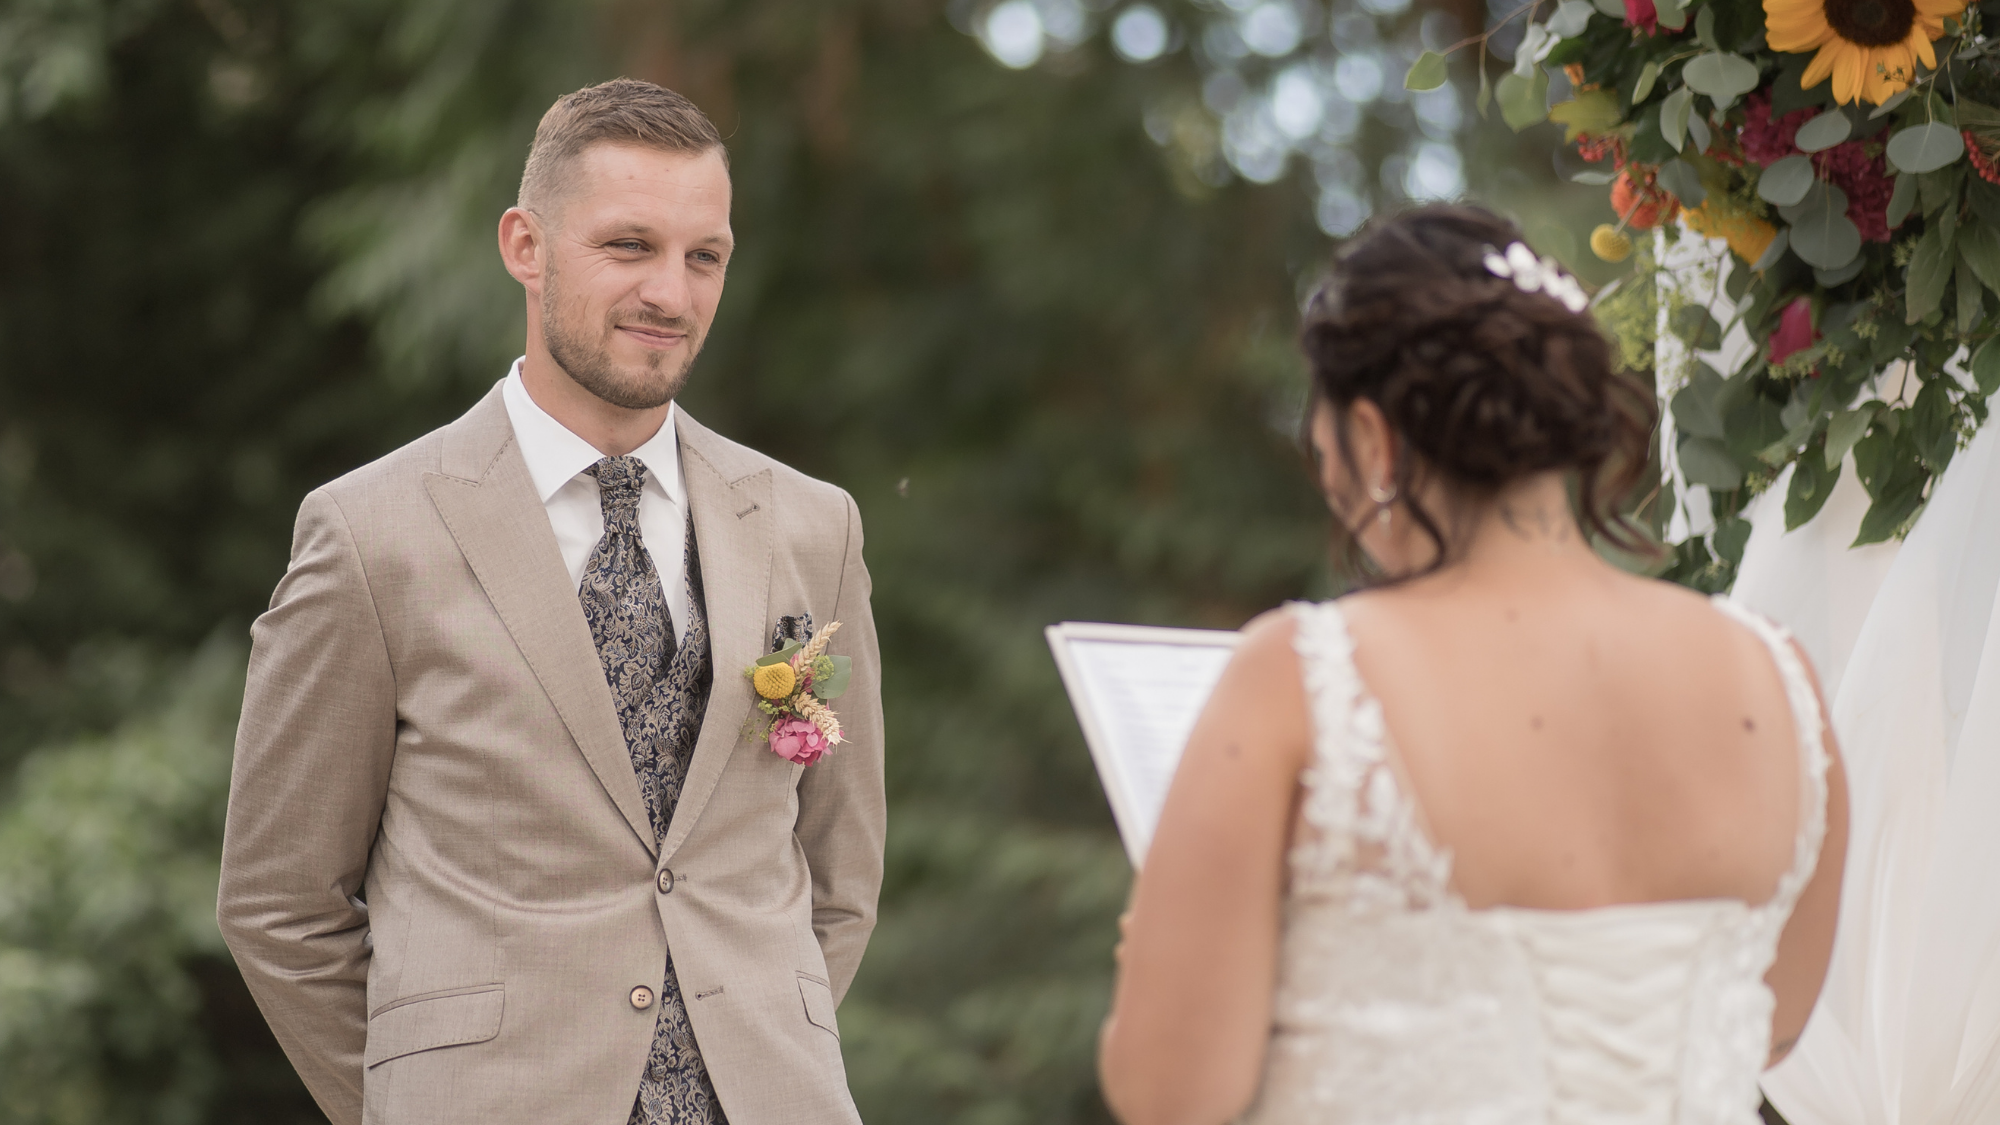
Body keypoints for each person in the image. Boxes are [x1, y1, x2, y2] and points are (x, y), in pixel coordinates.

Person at [216, 79, 884, 1125]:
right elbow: (278, 903)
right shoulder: (369, 534)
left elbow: (840, 877)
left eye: (702, 256)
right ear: (525, 246)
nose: (671, 292)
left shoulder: (813, 525)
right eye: (628, 247)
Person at [1096, 205, 1849, 1125]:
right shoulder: (1776, 681)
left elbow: (1171, 1093)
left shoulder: (1302, 674)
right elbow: (1770, 1026)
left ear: (1373, 439)